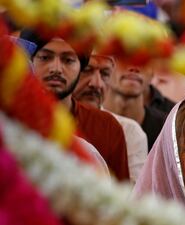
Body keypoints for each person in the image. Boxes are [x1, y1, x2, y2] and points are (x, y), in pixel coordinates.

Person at [19, 30, 130, 181]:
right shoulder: (12, 124)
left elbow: (119, 198)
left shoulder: (107, 126)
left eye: (68, 60)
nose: (56, 68)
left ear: (81, 66)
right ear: (29, 61)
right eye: (45, 58)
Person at [72, 53, 148, 184]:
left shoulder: (127, 131)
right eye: (86, 71)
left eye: (105, 74)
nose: (97, 84)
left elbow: (128, 198)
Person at [103, 57, 166, 151]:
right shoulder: (82, 120)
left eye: (143, 61)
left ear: (152, 73)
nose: (134, 67)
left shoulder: (168, 128)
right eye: (123, 58)